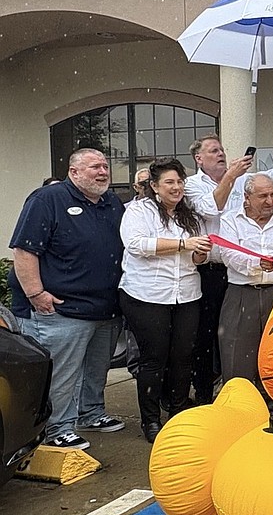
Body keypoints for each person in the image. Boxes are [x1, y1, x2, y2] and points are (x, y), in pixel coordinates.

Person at [184, 123, 273, 404]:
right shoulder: (193, 186)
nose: (221, 154)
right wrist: (231, 175)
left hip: (270, 284)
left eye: (222, 150)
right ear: (198, 158)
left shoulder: (252, 184)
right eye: (214, 150)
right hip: (214, 273)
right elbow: (210, 209)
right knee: (219, 341)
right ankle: (218, 396)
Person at [8, 148, 125, 449]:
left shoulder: (112, 203)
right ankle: (56, 427)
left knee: (97, 370)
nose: (103, 172)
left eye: (104, 166)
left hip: (105, 308)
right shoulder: (47, 200)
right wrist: (36, 293)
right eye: (94, 167)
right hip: (63, 308)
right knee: (61, 374)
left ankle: (91, 412)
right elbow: (24, 251)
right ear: (73, 172)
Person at [119, 158, 212, 441]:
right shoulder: (138, 210)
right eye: (169, 182)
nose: (176, 187)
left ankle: (178, 411)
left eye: (180, 182)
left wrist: (200, 252)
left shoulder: (190, 215)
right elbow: (137, 245)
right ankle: (150, 420)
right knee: (154, 359)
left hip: (186, 293)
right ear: (155, 187)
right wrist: (184, 245)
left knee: (183, 356)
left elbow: (199, 256)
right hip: (146, 295)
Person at [217, 173, 273, 414]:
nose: (270, 201)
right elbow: (228, 255)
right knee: (237, 356)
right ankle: (238, 409)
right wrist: (256, 264)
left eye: (272, 195)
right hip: (242, 294)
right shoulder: (231, 220)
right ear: (247, 197)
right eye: (263, 196)